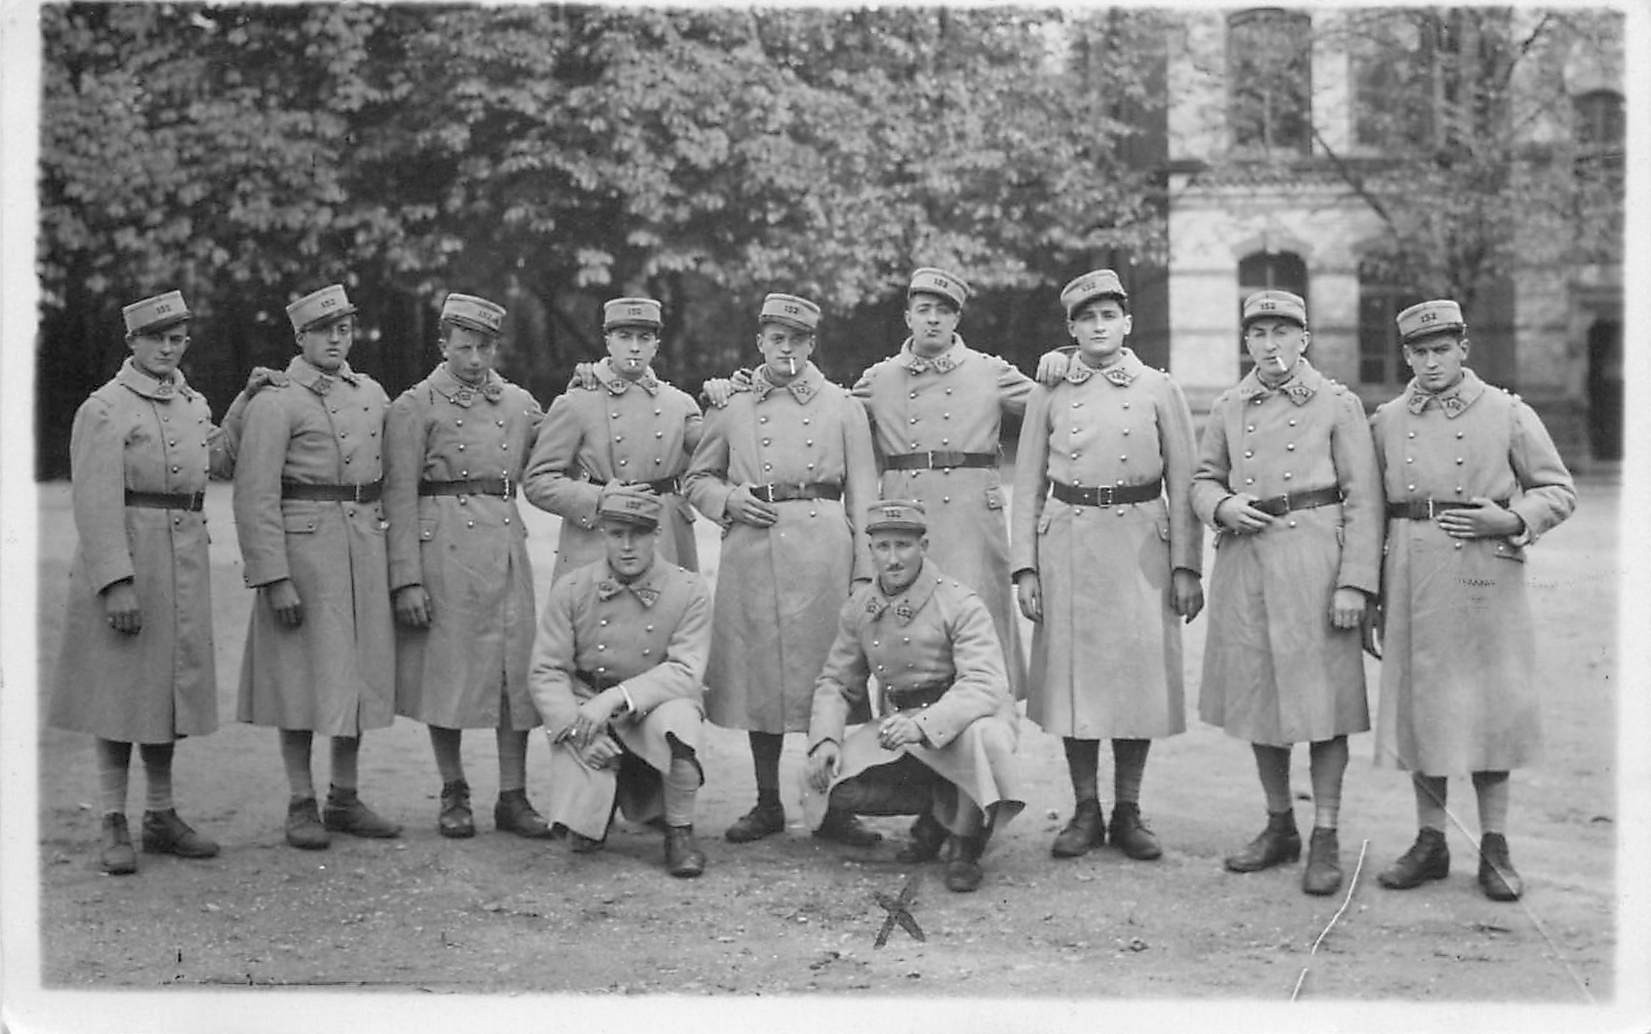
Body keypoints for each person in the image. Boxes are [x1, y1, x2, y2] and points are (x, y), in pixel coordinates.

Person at [1369, 299, 1576, 902]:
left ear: (1463, 348)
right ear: (1406, 355)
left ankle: (1495, 843)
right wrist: (1371, 589)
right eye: (1418, 352)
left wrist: (1510, 518)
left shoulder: (1506, 412)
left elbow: (1558, 490)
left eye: (1441, 350)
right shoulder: (1385, 419)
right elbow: (1369, 510)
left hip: (1484, 572)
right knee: (1424, 706)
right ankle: (1430, 840)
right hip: (1411, 573)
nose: (1430, 364)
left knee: (1488, 707)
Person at [48, 291, 256, 874]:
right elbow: (93, 502)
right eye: (157, 338)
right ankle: (113, 817)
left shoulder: (191, 403)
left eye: (178, 338)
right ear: (132, 343)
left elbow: (218, 459)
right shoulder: (106, 408)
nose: (169, 348)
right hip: (130, 557)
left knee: (166, 692)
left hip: (182, 561)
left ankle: (160, 814)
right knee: (120, 691)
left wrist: (243, 404)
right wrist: (115, 581)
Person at [1189, 290, 1383, 896]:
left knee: (1325, 707)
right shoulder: (1227, 406)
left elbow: (1364, 499)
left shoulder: (1338, 404)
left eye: (1282, 333)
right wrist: (1221, 505)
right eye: (1258, 334)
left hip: (1315, 563)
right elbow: (1201, 479)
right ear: (1245, 341)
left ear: (1304, 339)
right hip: (1246, 563)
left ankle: (1325, 832)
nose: (1269, 346)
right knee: (1258, 701)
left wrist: (1355, 582)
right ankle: (1280, 824)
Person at [1011, 269, 1203, 862]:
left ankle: (1129, 809)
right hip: (1069, 542)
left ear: (1127, 323)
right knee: (1076, 681)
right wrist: (1026, 568)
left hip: (1141, 543)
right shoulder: (1051, 389)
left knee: (1136, 679)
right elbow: (1027, 484)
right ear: (1071, 329)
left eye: (1108, 316)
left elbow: (1185, 478)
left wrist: (1185, 566)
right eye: (1086, 318)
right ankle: (1085, 808)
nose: (1099, 327)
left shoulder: (1157, 388)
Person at [683, 292, 879, 846]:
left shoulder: (843, 407)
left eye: (796, 339)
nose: (785, 347)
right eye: (775, 338)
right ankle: (767, 801)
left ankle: (838, 803)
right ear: (759, 343)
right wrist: (729, 500)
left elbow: (863, 496)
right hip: (755, 547)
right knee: (759, 680)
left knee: (837, 677)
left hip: (824, 554)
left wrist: (865, 574)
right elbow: (697, 479)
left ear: (812, 344)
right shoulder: (734, 408)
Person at [233, 283, 401, 850]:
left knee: (353, 675)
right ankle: (301, 800)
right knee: (299, 679)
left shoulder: (372, 394)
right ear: (299, 337)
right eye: (323, 330)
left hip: (363, 544)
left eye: (344, 328)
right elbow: (254, 494)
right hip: (305, 553)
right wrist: (273, 576)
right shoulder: (277, 400)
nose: (335, 339)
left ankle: (345, 798)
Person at [383, 292, 552, 840]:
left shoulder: (520, 403)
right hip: (444, 550)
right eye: (464, 347)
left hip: (504, 545)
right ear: (442, 345)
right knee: (447, 673)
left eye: (484, 347)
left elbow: (553, 455)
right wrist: (406, 578)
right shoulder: (415, 406)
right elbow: (399, 497)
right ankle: (453, 790)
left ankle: (512, 793)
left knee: (513, 673)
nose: (475, 359)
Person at [803, 501, 1024, 893]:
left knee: (983, 740)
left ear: (924, 545)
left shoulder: (958, 602)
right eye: (882, 547)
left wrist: (922, 726)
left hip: (965, 719)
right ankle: (939, 814)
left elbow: (984, 685)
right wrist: (825, 739)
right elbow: (837, 682)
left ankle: (964, 843)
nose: (892, 559)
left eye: (903, 546)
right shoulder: (860, 608)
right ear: (869, 551)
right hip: (901, 723)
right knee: (830, 786)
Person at [845, 267, 1034, 701]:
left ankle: (984, 730)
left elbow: (1057, 407)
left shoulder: (990, 372)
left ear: (956, 320)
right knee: (906, 629)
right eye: (924, 309)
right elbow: (830, 420)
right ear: (907, 316)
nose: (933, 319)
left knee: (976, 627)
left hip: (971, 519)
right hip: (906, 519)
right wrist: (750, 384)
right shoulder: (880, 379)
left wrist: (1065, 359)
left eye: (944, 311)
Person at [528, 486, 712, 877]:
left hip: (651, 706)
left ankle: (680, 830)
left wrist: (615, 697)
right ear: (602, 535)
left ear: (657, 535)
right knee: (581, 841)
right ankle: (600, 799)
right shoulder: (573, 588)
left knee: (681, 723)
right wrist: (579, 731)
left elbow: (684, 670)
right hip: (587, 710)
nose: (627, 546)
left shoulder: (689, 590)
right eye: (616, 534)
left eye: (639, 534)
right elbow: (546, 670)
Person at [524, 297, 703, 582]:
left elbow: (713, 455)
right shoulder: (576, 402)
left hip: (664, 537)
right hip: (599, 537)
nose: (634, 346)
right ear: (608, 341)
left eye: (644, 338)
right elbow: (538, 481)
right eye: (624, 337)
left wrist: (728, 392)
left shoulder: (680, 404)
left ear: (656, 345)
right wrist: (597, 499)